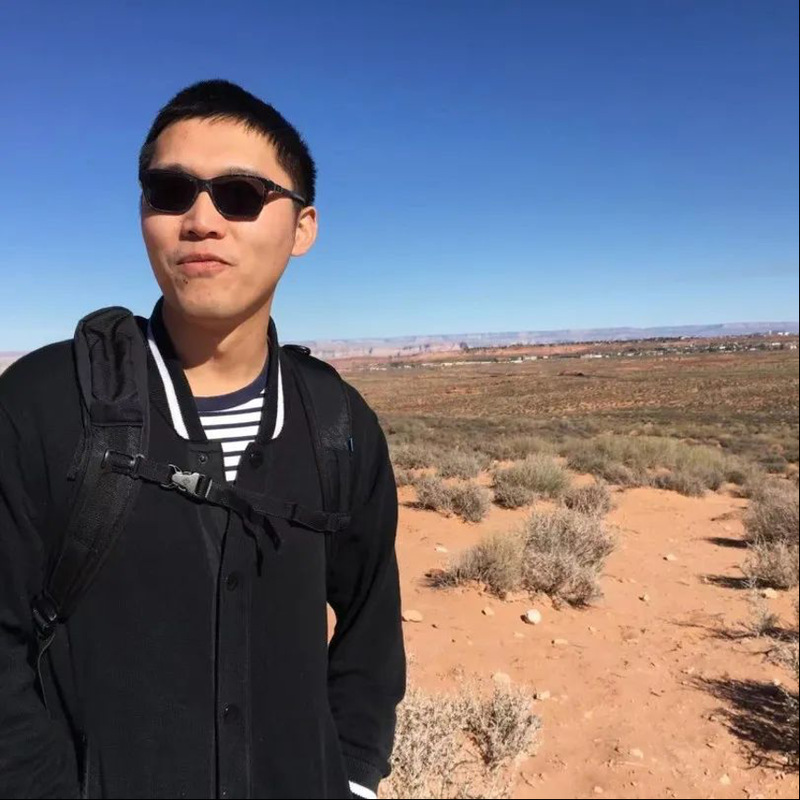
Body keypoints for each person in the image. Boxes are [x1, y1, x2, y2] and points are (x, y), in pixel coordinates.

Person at [0, 79, 406, 799]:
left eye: (240, 194)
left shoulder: (337, 425)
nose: (200, 221)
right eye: (171, 191)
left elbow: (370, 631)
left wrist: (351, 777)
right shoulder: (43, 405)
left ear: (303, 227)